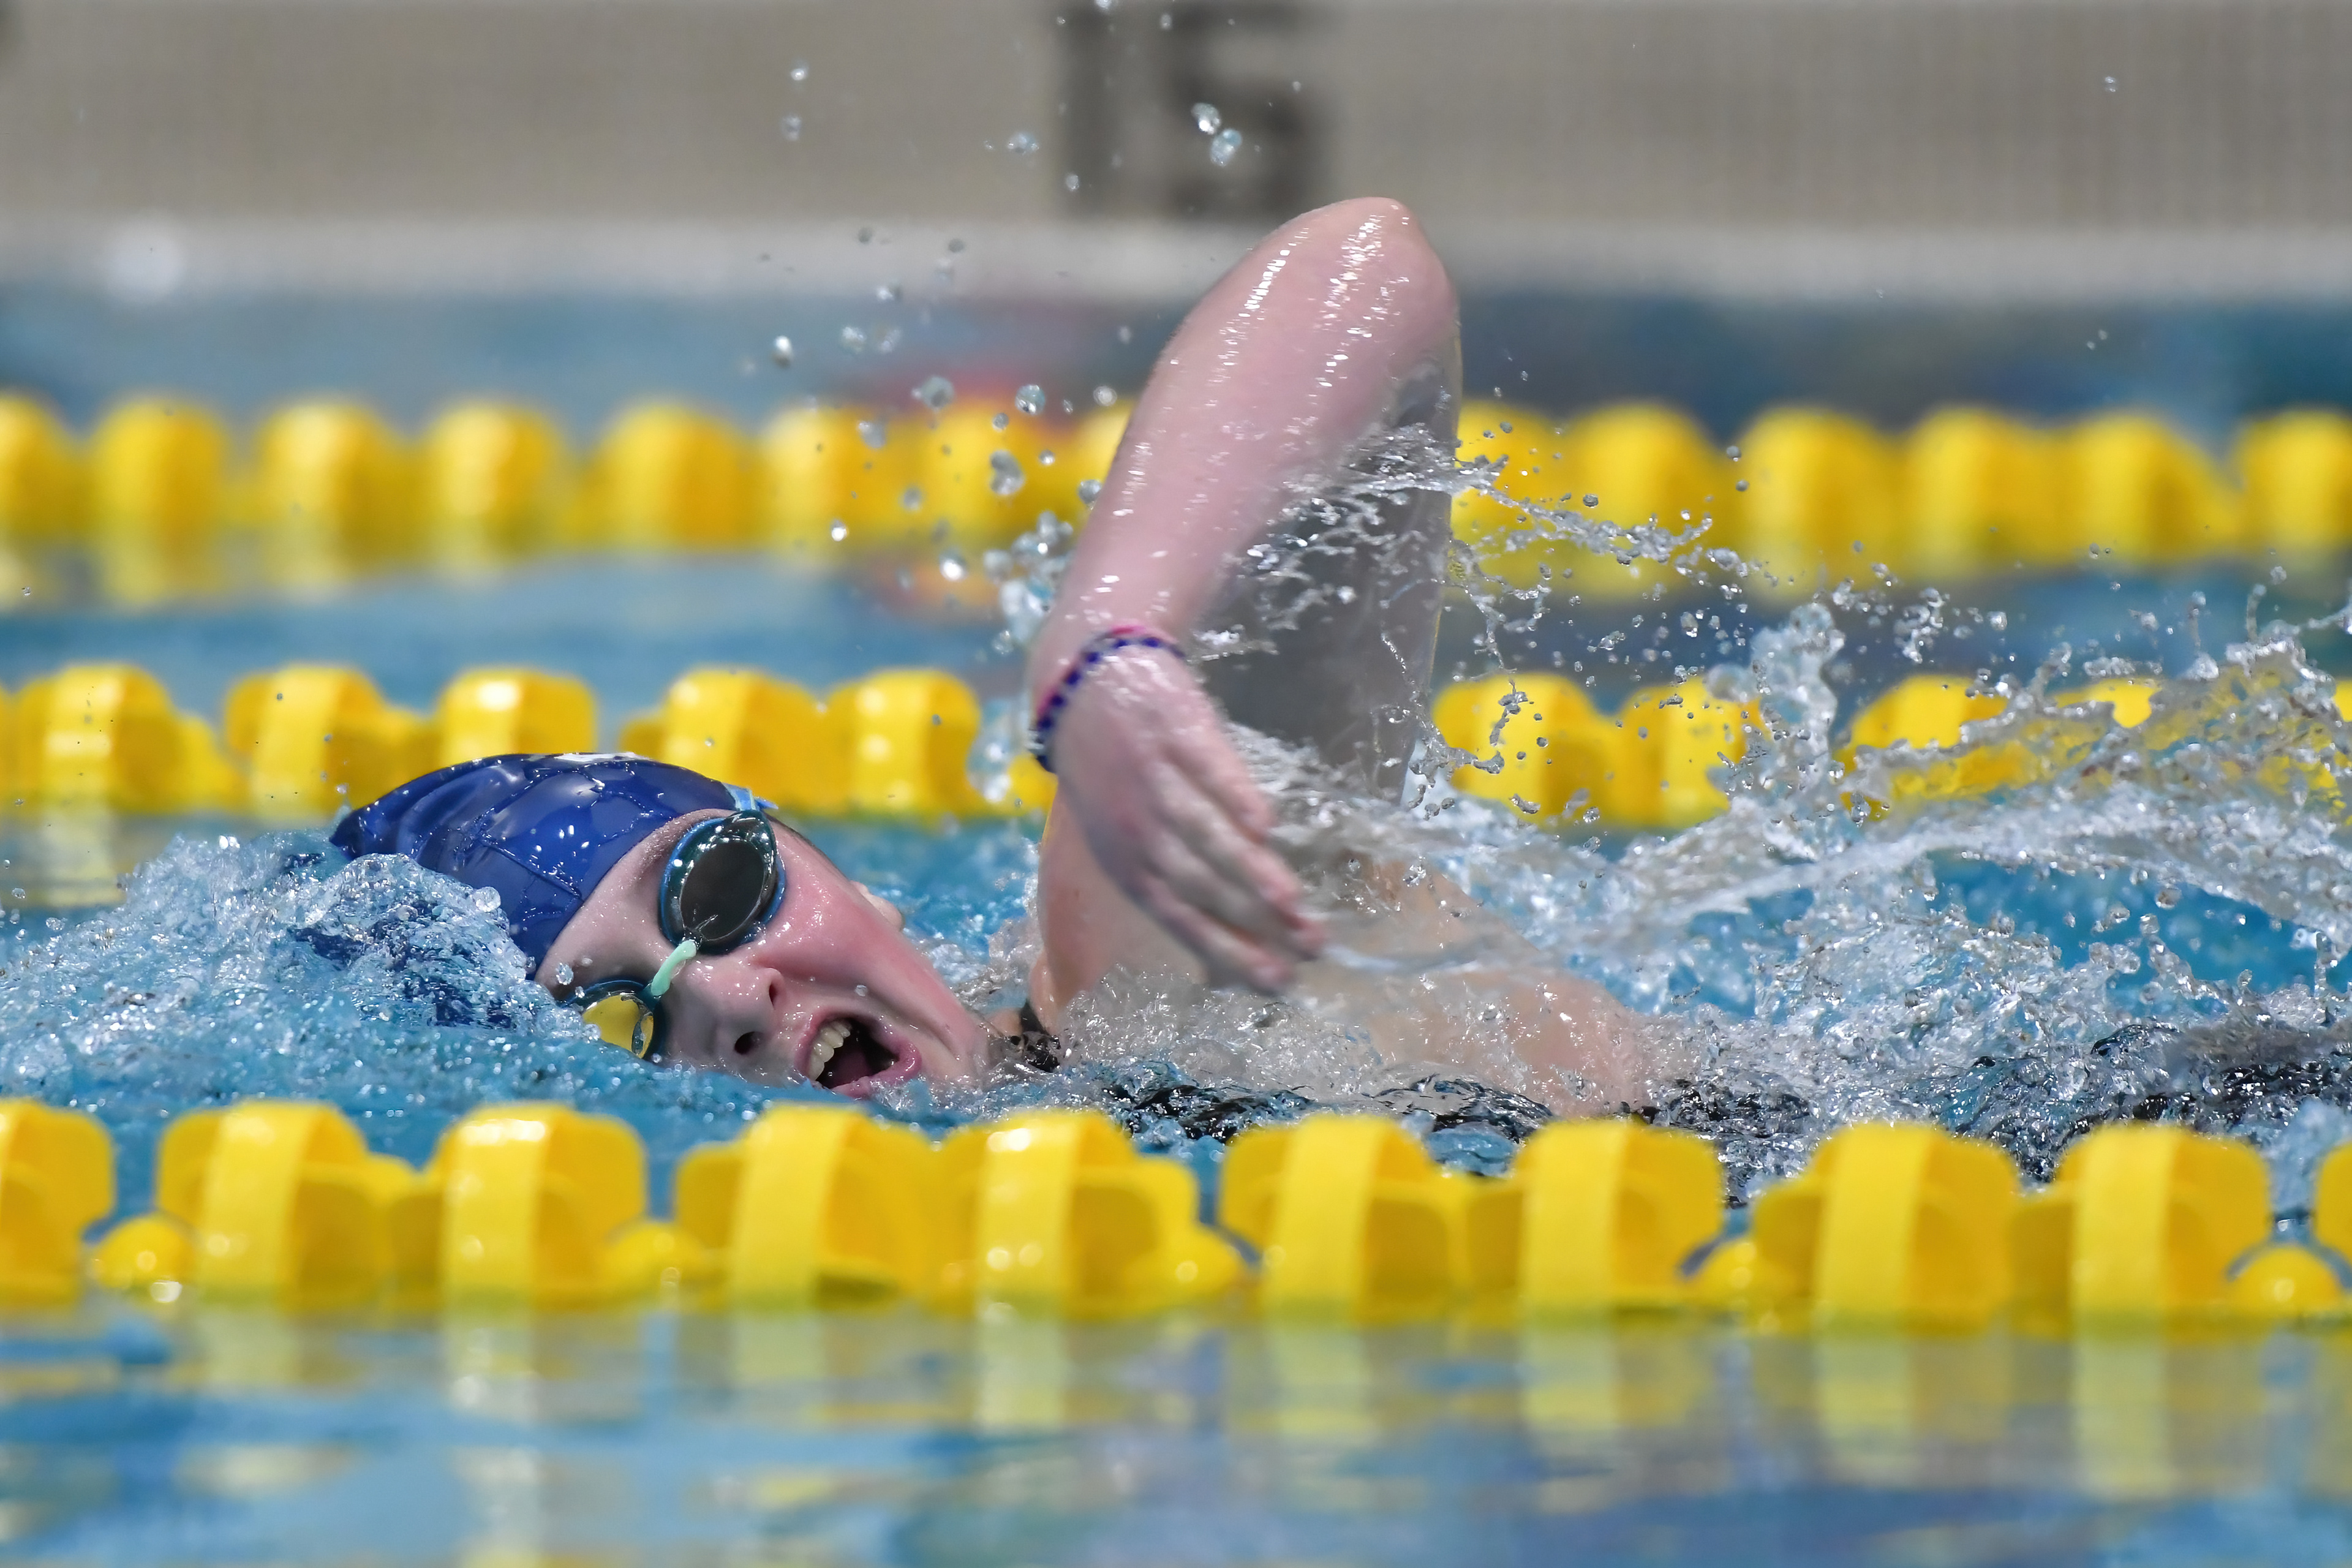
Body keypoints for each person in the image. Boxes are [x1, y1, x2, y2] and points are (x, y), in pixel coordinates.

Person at [332, 197, 1651, 1110]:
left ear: (842, 871)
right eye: (625, 1021)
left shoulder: (1154, 960)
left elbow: (1365, 263)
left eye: (717, 889)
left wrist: (1108, 633)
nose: (731, 996)